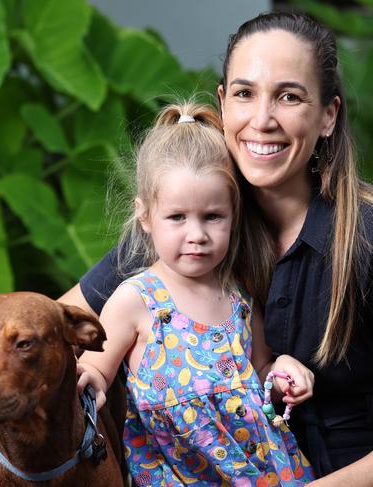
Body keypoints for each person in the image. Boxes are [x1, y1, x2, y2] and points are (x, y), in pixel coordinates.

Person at [61, 11, 373, 484]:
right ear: (224, 102)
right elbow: (59, 325)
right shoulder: (185, 214)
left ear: (328, 115)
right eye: (245, 93)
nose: (262, 120)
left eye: (289, 96)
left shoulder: (364, 235)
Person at [76, 101, 315, 486]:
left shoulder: (238, 296)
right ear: (145, 216)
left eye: (212, 216)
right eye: (177, 217)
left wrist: (283, 371)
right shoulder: (137, 300)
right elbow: (94, 371)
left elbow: (259, 370)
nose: (197, 235)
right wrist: (85, 378)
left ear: (233, 215)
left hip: (264, 474)